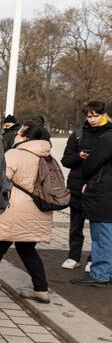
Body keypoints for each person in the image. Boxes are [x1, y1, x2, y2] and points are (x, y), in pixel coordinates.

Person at [0, 120, 54, 303]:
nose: (16, 135)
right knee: (28, 249)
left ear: (26, 138)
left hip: (12, 209)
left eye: (20, 133)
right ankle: (42, 289)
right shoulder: (47, 157)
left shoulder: (15, 154)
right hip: (38, 211)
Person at [60, 101, 109, 271]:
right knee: (76, 225)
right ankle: (74, 256)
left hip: (100, 188)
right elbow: (65, 160)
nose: (93, 119)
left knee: (98, 227)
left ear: (103, 114)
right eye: (89, 116)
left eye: (96, 115)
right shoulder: (78, 135)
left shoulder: (109, 133)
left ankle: (93, 258)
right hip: (77, 185)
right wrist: (79, 156)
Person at [71, 110, 112, 287]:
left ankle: (100, 273)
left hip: (105, 193)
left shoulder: (108, 138)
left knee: (103, 235)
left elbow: (91, 164)